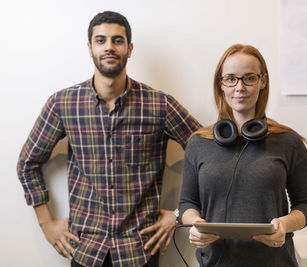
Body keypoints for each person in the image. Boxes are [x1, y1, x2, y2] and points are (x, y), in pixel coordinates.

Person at [16, 11, 200, 267]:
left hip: (140, 251)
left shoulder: (160, 105)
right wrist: (46, 223)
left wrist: (180, 214)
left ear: (129, 48)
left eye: (117, 40)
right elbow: (27, 163)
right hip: (85, 250)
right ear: (90, 48)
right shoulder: (63, 104)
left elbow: (209, 158)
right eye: (101, 40)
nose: (109, 47)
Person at [179, 44, 307, 267]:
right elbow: (187, 203)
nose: (239, 87)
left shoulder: (288, 141)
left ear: (263, 82)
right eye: (231, 79)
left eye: (249, 78)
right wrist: (194, 225)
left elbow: (306, 206)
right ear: (221, 84)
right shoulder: (198, 143)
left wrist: (284, 224)